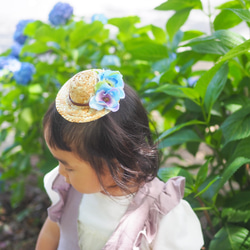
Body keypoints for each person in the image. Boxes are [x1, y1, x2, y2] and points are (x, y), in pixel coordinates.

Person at [35, 69, 204, 250]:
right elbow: (52, 233)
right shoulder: (69, 189)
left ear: (113, 166)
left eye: (69, 167)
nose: (60, 172)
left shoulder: (159, 215)